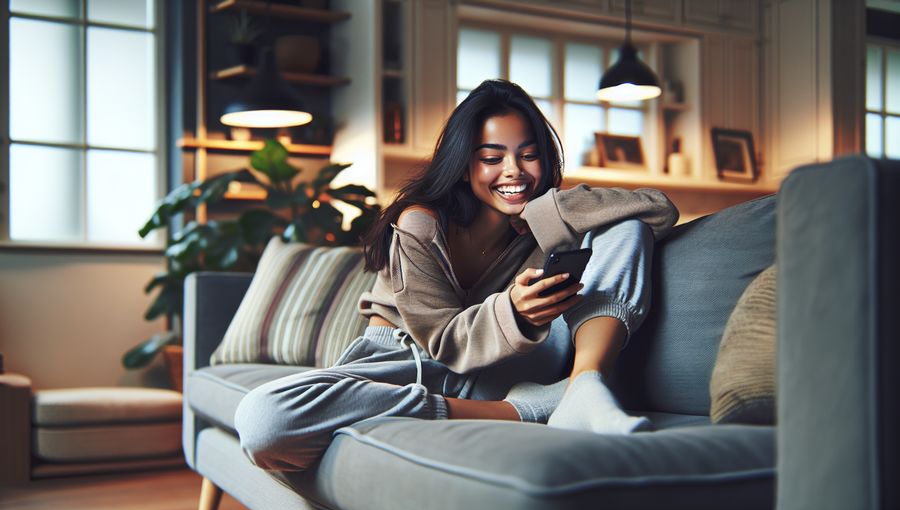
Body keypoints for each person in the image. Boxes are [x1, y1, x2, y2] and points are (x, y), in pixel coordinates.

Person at [234, 79, 679, 472]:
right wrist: (514, 311)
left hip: (506, 362)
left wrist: (549, 208)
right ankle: (533, 407)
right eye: (492, 157)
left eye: (528, 156)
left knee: (626, 227)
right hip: (402, 364)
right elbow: (446, 342)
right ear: (465, 164)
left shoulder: (544, 225)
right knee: (265, 418)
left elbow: (657, 211)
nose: (514, 172)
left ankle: (585, 384)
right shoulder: (420, 224)